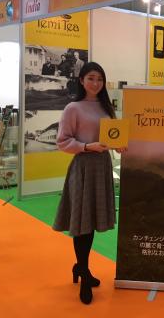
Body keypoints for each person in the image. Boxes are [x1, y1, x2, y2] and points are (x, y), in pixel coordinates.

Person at [53, 62, 125, 305]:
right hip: (83, 167)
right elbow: (62, 141)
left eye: (100, 79)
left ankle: (81, 267)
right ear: (82, 80)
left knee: (91, 221)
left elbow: (112, 136)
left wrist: (119, 146)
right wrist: (86, 146)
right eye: (91, 78)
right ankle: (84, 273)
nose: (96, 83)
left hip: (102, 167)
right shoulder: (72, 108)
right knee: (82, 223)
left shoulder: (106, 107)